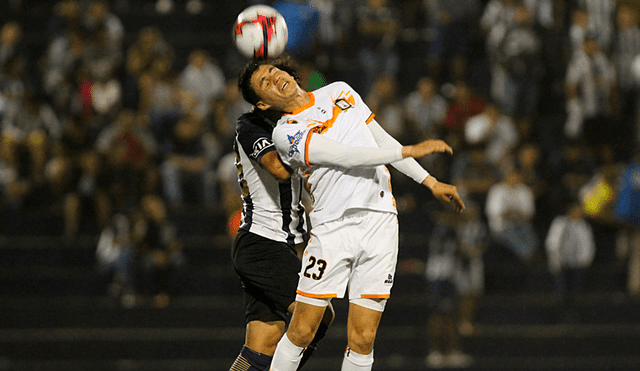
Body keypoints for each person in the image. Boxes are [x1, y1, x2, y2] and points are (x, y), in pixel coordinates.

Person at [237, 57, 464, 371]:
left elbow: (379, 138)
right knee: (302, 329)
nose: (275, 79)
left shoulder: (340, 91)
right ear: (262, 104)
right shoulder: (286, 133)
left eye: (275, 71)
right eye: (265, 82)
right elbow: (343, 156)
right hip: (333, 228)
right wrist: (408, 150)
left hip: (381, 222)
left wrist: (429, 180)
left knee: (363, 337)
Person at [228, 104, 333, 371]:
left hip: (272, 244)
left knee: (263, 343)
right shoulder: (251, 125)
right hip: (261, 241)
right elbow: (278, 168)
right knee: (317, 315)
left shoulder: (289, 128)